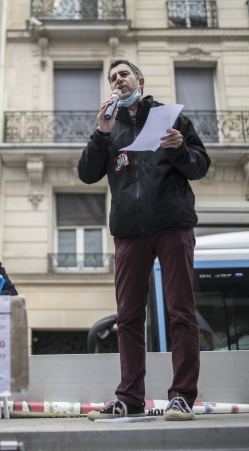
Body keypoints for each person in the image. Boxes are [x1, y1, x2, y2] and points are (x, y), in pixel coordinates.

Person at [78, 59, 211, 422]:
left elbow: (199, 166)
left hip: (171, 224)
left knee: (181, 312)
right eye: (112, 77)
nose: (118, 80)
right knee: (129, 317)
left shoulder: (170, 118)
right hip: (129, 230)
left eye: (124, 74)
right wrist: (101, 133)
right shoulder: (109, 126)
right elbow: (87, 174)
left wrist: (180, 147)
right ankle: (130, 398)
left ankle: (182, 397)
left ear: (140, 80)